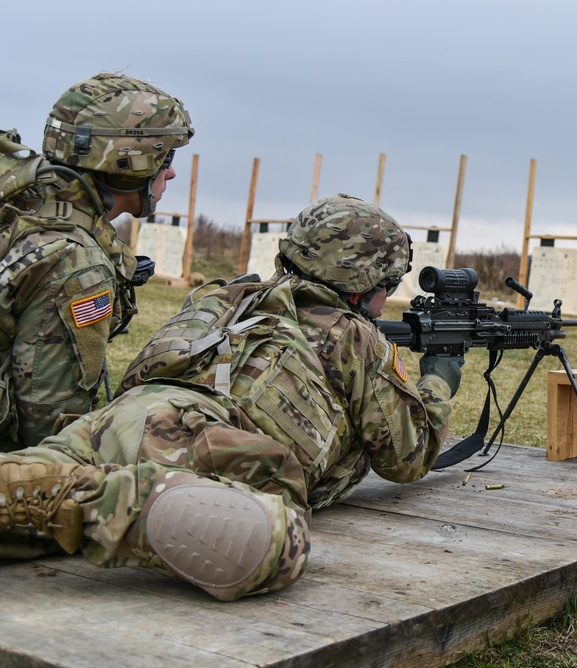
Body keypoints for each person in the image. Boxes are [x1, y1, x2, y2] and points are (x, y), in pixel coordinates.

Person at [0, 194, 465, 601]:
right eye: (387, 288)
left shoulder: (229, 297)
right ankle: (84, 498)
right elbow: (407, 456)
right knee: (279, 545)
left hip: (122, 418)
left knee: (22, 512)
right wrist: (438, 380)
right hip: (209, 447)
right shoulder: (355, 338)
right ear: (365, 287)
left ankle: (45, 486)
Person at [0, 72, 194, 451]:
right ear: (130, 162)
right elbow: (49, 438)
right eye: (165, 156)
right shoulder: (75, 265)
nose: (170, 171)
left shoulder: (24, 199)